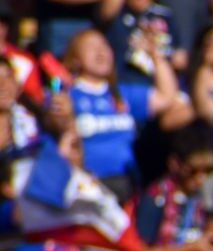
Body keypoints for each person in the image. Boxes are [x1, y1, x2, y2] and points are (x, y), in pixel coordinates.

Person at [57, 26, 190, 201]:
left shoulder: (122, 94)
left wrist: (155, 56)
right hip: (87, 187)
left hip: (127, 185)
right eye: (91, 47)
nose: (100, 51)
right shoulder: (67, 97)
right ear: (75, 59)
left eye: (104, 46)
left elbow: (166, 96)